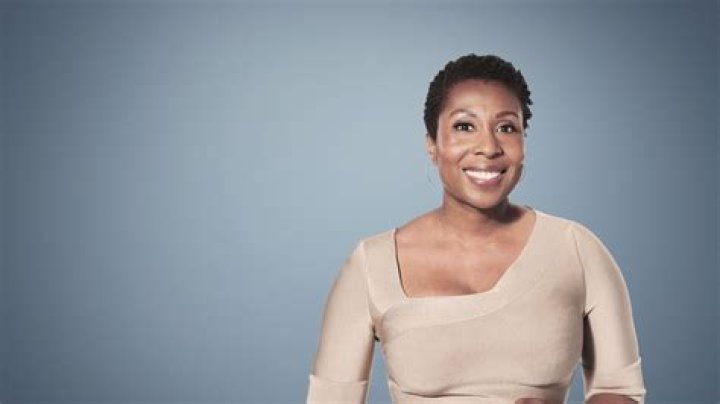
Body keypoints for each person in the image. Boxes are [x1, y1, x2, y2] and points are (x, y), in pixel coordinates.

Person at [305, 54, 646, 404]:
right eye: (464, 126)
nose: (488, 147)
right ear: (432, 145)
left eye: (506, 128)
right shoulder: (372, 264)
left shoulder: (577, 250)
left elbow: (621, 390)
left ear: (523, 144)